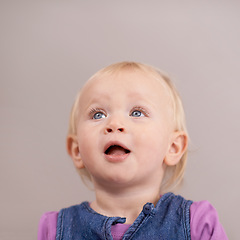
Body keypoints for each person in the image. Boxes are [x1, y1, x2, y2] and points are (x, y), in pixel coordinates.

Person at [38, 62, 228, 239]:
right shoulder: (55, 229)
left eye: (137, 113)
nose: (114, 124)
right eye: (98, 114)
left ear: (173, 147)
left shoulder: (198, 223)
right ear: (77, 150)